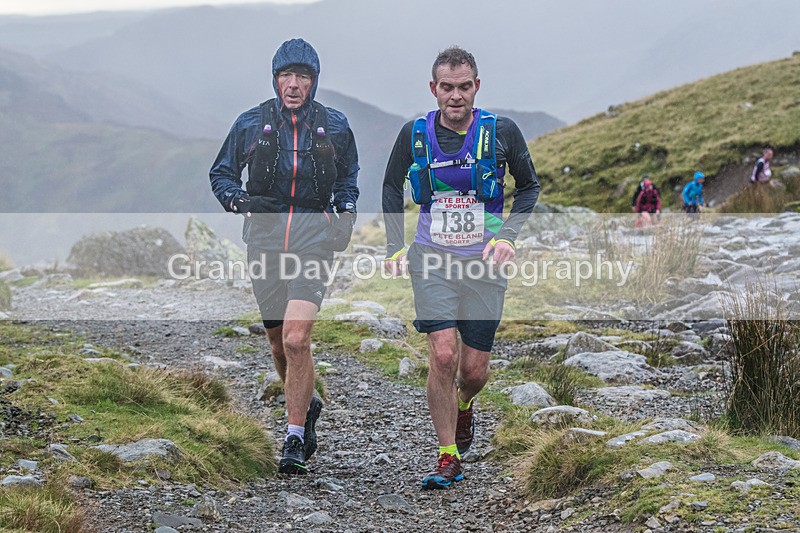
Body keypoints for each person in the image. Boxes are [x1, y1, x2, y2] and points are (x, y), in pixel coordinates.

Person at [382, 46, 540, 489]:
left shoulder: (501, 131)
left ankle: (465, 403)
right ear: (433, 89)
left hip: (484, 265)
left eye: (464, 87)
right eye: (447, 87)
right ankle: (447, 455)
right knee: (443, 354)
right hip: (431, 259)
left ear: (477, 86)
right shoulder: (414, 135)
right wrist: (394, 247)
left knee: (473, 372)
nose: (456, 96)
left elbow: (529, 187)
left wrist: (507, 237)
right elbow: (391, 186)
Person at [209, 38, 359, 475]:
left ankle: (293, 437)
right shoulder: (251, 123)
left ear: (314, 82)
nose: (293, 85)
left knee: (296, 339)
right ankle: (306, 404)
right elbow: (221, 174)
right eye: (286, 76)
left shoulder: (334, 125)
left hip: (314, 241)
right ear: (275, 79)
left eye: (302, 77)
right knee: (277, 342)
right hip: (266, 241)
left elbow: (348, 177)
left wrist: (346, 211)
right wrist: (240, 202)